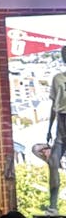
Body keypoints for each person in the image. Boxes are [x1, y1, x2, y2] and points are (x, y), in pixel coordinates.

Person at [47, 45, 66, 215]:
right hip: (61, 122)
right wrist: (48, 129)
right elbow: (54, 105)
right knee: (53, 162)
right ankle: (53, 206)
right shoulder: (57, 78)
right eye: (63, 55)